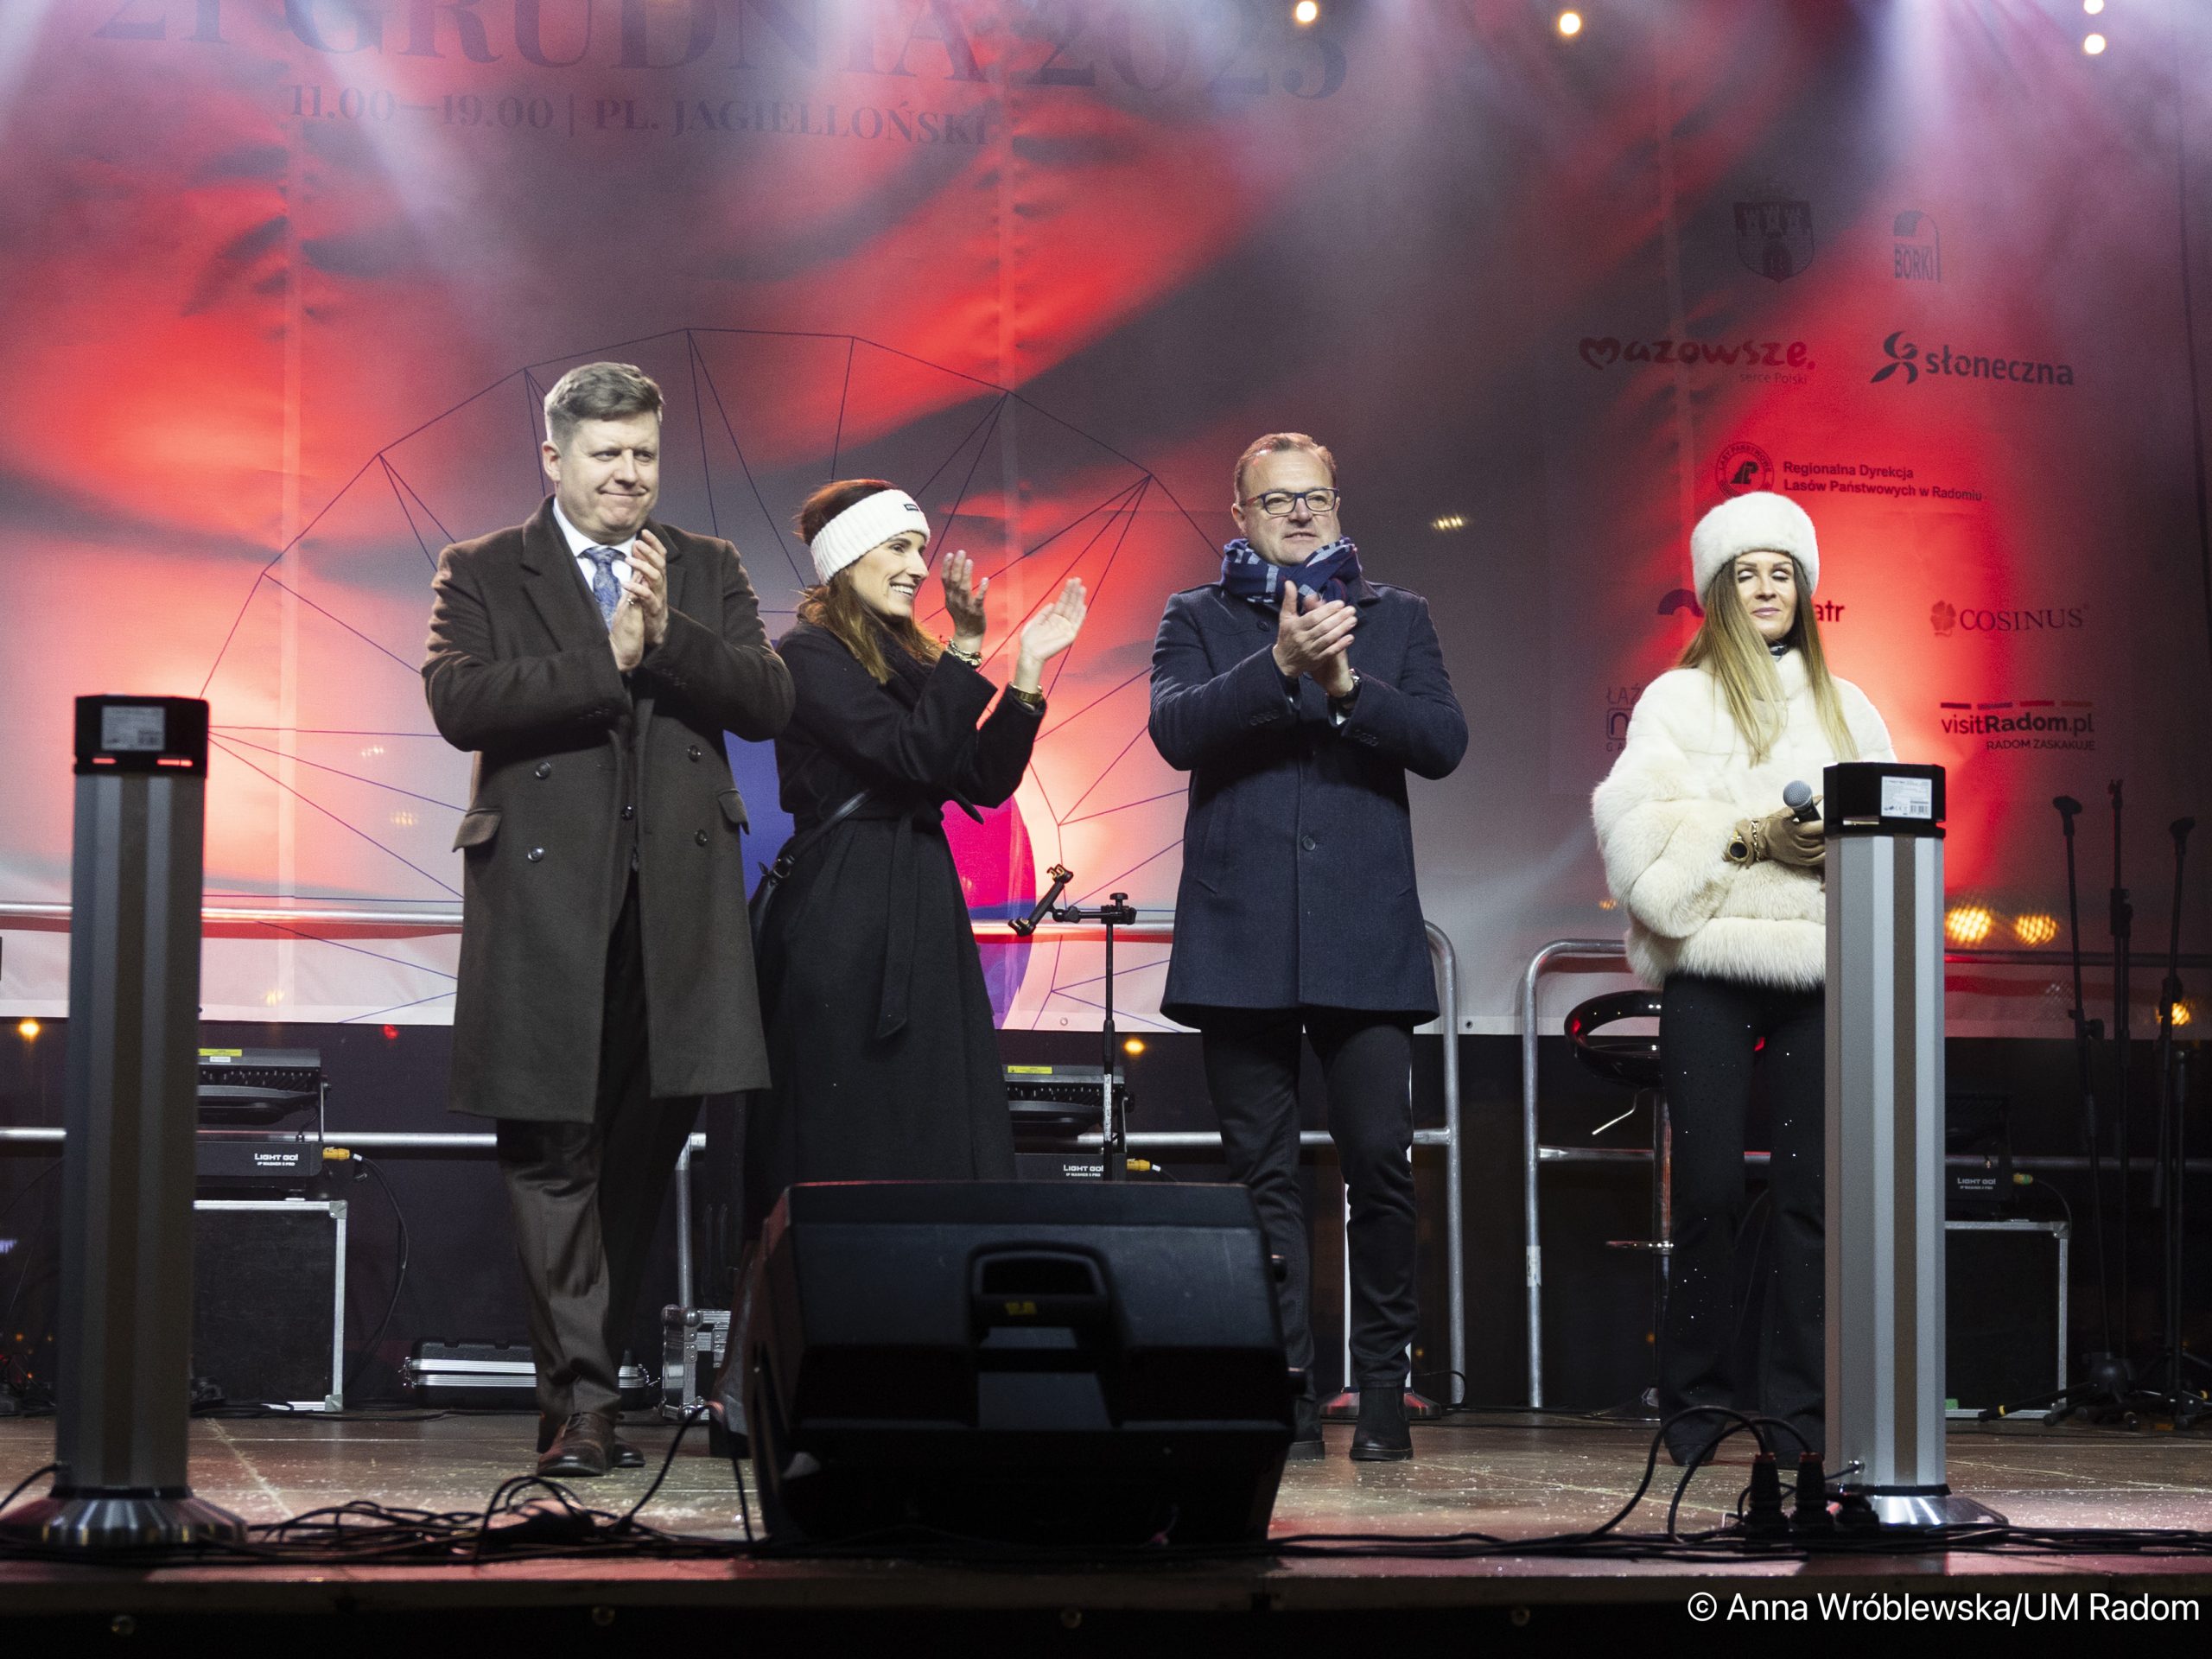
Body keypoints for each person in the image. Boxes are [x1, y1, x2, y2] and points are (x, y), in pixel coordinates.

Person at [423, 361, 793, 1478]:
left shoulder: (706, 565)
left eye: (644, 454)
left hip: (676, 907)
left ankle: (587, 1392)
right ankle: (582, 1406)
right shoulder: (484, 567)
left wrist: (668, 636)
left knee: (639, 1151)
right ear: (554, 458)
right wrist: (606, 659)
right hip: (543, 905)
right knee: (550, 1146)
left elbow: (768, 699)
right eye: (606, 454)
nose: (629, 473)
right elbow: (458, 700)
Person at [1148, 433, 1467, 1462]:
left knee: (1379, 1166)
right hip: (1239, 935)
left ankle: (1379, 1393)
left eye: (1314, 498)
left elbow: (1443, 742)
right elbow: (1175, 731)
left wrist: (1346, 685)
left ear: (1337, 505)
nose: (1297, 513)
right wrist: (1278, 665)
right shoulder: (1196, 616)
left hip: (1364, 937)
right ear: (1238, 516)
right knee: (1263, 1179)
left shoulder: (1396, 615)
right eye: (1275, 499)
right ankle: (1283, 1393)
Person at [1590, 491, 1894, 1465]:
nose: (1766, 588)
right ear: (1717, 590)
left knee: (1810, 1197)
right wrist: (1749, 837)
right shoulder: (1675, 702)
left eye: (1782, 572)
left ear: (1804, 590)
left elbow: (1895, 838)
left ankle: (1801, 1414)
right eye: (1746, 572)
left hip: (1817, 970)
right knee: (1710, 1191)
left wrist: (1834, 849)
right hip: (1711, 968)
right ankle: (1695, 1403)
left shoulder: (1850, 708)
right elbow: (1639, 847)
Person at [743, 480, 1087, 1226]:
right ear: (849, 556)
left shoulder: (906, 657)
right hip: (845, 905)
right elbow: (911, 757)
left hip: (919, 897)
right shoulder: (808, 653)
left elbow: (980, 779)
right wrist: (964, 648)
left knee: (931, 1112)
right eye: (899, 547)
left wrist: (1027, 673)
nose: (918, 567)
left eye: (920, 549)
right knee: (855, 1115)